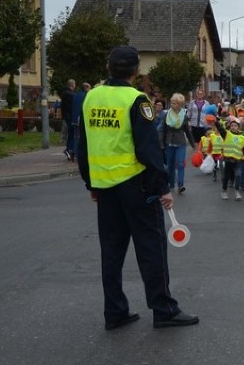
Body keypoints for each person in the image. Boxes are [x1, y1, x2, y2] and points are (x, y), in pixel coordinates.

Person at [77, 46, 198, 330]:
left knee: (111, 251)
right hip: (137, 185)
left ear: (109, 68)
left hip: (105, 186)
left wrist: (90, 182)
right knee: (151, 247)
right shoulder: (136, 100)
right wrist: (163, 186)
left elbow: (83, 144)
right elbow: (147, 148)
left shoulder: (91, 97)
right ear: (135, 71)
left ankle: (115, 311)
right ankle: (163, 309)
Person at [161, 93, 196, 194]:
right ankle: (171, 184)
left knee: (180, 163)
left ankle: (181, 185)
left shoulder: (183, 116)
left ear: (180, 104)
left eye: (174, 103)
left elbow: (187, 131)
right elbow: (163, 130)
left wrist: (193, 144)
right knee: (170, 165)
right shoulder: (167, 115)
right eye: (172, 103)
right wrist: (161, 144)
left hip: (180, 142)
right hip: (169, 142)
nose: (172, 105)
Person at [70, 82, 90, 161]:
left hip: (74, 119)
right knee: (82, 137)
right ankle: (79, 154)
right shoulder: (87, 96)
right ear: (87, 88)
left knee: (76, 136)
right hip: (82, 119)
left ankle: (74, 152)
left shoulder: (75, 95)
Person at [61, 78, 77, 160]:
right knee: (72, 134)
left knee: (69, 134)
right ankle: (69, 150)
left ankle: (69, 150)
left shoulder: (64, 93)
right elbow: (73, 107)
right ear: (73, 85)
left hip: (65, 116)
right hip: (70, 117)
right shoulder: (72, 94)